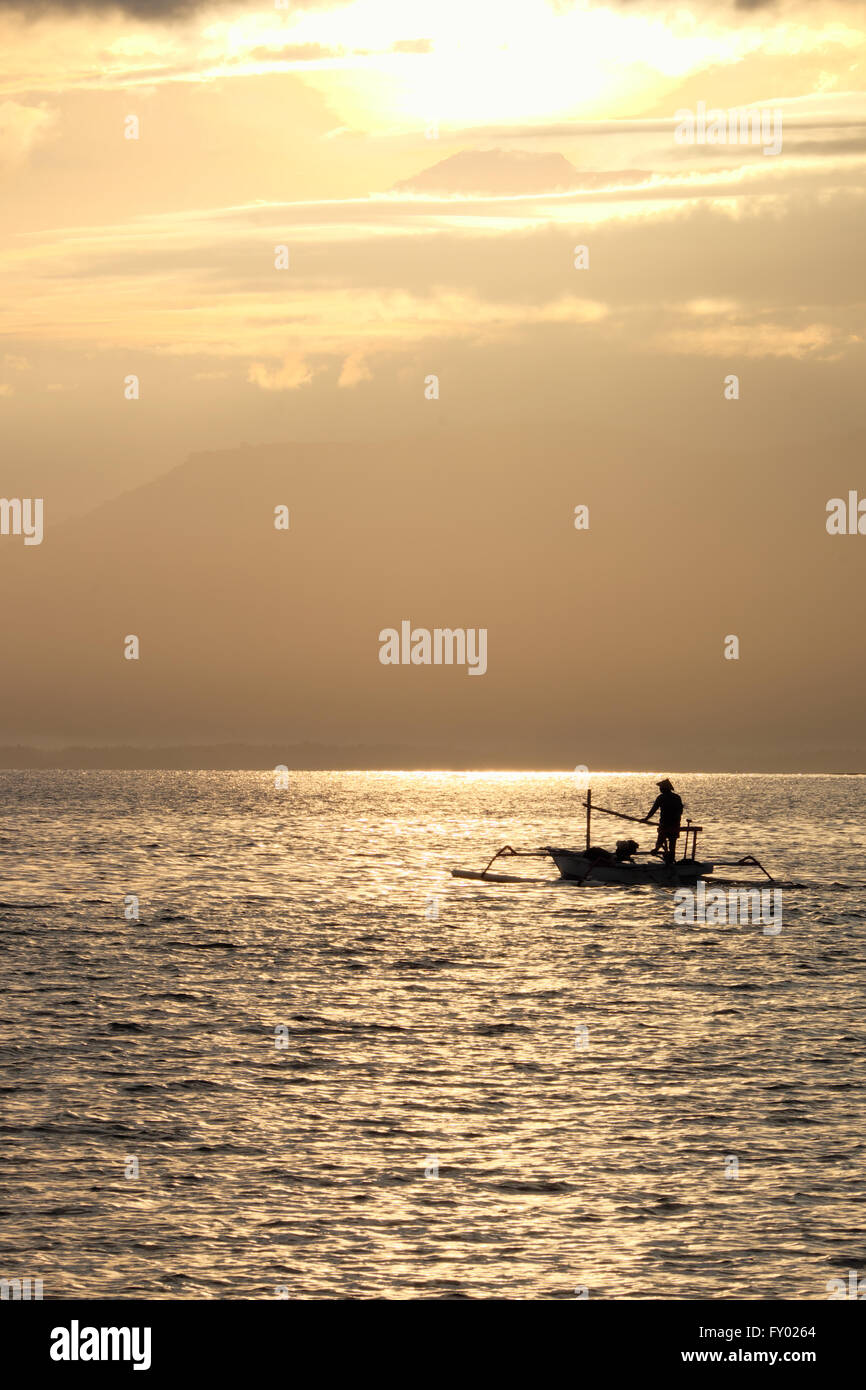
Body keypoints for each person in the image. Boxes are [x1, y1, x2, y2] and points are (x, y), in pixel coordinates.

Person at [643, 778, 683, 865]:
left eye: (661, 788)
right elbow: (680, 811)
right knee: (672, 845)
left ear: (664, 789)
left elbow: (653, 810)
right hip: (675, 825)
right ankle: (670, 860)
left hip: (665, 825)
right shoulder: (677, 797)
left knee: (660, 840)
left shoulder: (661, 798)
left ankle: (657, 850)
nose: (660, 789)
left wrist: (646, 819)